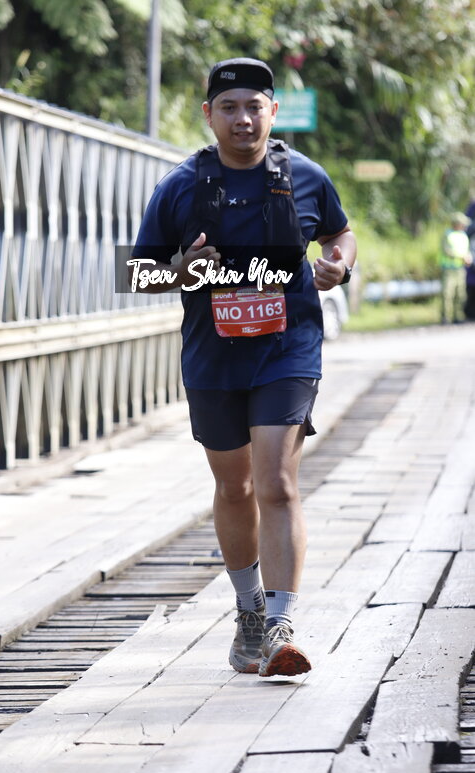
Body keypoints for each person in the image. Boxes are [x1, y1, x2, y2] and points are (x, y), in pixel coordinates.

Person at [126, 58, 356, 677]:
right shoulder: (180, 187)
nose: (243, 119)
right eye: (229, 108)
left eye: (254, 107)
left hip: (288, 351)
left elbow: (341, 234)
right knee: (236, 488)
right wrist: (178, 272)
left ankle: (281, 624)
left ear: (273, 112)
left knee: (276, 481)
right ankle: (249, 609)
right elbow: (137, 274)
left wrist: (338, 265)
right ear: (209, 115)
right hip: (213, 357)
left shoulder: (305, 176)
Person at [440, 211, 472, 323]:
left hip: (460, 269)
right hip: (449, 269)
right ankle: (446, 317)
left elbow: (466, 250)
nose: (464, 226)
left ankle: (458, 316)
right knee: (447, 294)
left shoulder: (463, 236)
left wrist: (468, 257)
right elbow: (447, 251)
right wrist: (461, 257)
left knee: (461, 294)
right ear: (456, 223)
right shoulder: (448, 235)